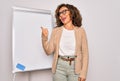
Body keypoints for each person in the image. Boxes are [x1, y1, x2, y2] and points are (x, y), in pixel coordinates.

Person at [41, 3, 89, 81]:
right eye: (59, 14)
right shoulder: (56, 31)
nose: (61, 16)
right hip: (59, 67)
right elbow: (48, 51)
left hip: (75, 67)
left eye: (64, 12)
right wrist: (44, 37)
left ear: (71, 12)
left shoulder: (80, 31)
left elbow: (85, 54)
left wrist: (83, 73)